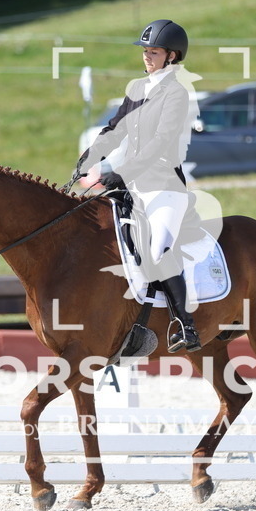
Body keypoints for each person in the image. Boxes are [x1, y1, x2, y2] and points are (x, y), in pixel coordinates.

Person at [78, 19, 205, 353]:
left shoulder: (177, 93)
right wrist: (89, 157)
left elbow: (162, 143)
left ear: (172, 56)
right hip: (132, 186)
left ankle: (185, 326)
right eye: (146, 51)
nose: (147, 57)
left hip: (164, 188)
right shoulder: (136, 88)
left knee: (158, 248)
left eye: (155, 52)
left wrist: (123, 171)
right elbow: (115, 129)